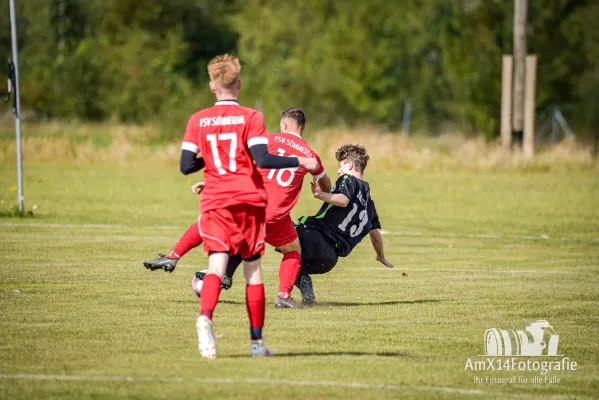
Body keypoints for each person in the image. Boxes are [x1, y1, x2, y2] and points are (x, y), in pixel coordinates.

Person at [163, 54, 319, 359]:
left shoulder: (198, 120)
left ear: (211, 85)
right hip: (247, 201)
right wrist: (300, 160)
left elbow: (185, 165)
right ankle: (257, 343)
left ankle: (205, 318)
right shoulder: (251, 117)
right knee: (253, 272)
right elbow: (263, 159)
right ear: (240, 84)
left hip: (214, 203)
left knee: (216, 267)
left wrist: (209, 160)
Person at [144, 108, 331, 309]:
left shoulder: (268, 140)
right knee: (293, 249)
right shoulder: (310, 155)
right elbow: (327, 183)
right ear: (303, 127)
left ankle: (173, 257)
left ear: (284, 124)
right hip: (276, 216)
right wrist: (321, 189)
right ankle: (283, 296)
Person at [219, 144, 394, 305]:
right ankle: (303, 281)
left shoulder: (348, 180)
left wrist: (320, 195)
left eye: (340, 166)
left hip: (314, 237)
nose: (339, 172)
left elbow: (343, 200)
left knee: (259, 230)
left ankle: (226, 275)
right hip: (329, 260)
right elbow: (375, 234)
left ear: (349, 165)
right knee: (294, 264)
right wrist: (381, 256)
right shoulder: (369, 205)